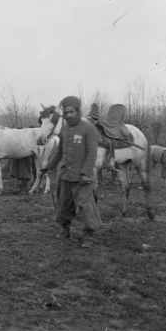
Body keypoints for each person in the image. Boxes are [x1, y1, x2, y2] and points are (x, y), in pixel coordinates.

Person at [41, 96, 102, 248]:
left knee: (85, 205)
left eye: (71, 112)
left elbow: (91, 153)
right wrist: (48, 166)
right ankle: (65, 229)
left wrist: (86, 173)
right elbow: (60, 152)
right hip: (66, 175)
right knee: (64, 204)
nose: (68, 115)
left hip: (83, 177)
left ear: (78, 111)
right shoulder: (65, 129)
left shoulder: (89, 129)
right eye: (65, 112)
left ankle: (88, 235)